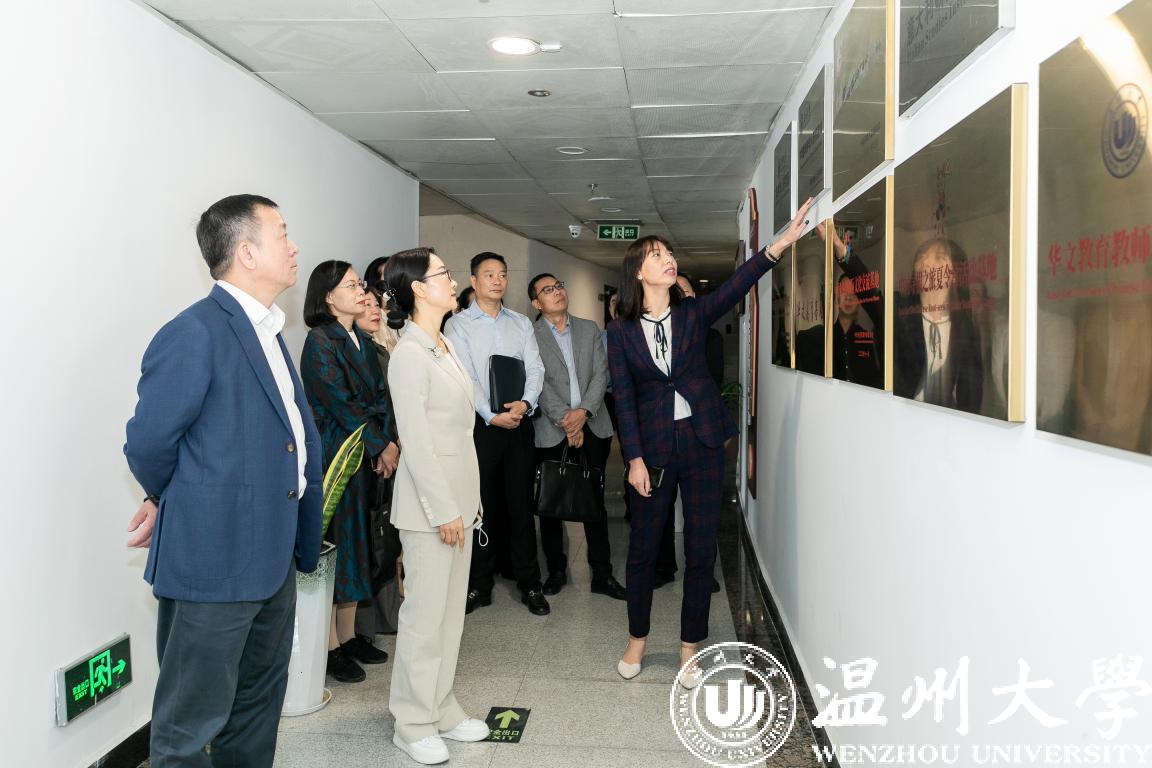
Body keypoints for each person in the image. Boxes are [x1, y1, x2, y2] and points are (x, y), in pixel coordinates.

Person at [124, 194, 322, 767]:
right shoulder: (195, 332)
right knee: (188, 724)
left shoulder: (268, 331)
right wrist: (172, 498)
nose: (294, 247)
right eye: (282, 234)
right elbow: (149, 442)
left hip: (272, 557)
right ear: (246, 253)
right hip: (212, 561)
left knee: (256, 709)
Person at [608, 198, 813, 686]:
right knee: (643, 550)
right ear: (638, 272)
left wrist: (779, 245)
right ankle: (637, 639)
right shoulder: (620, 333)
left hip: (701, 445)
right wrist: (633, 458)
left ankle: (689, 648)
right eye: (656, 255)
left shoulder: (694, 314)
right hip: (653, 451)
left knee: (701, 550)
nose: (668, 259)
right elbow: (625, 398)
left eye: (668, 253)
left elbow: (738, 284)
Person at [382, 248, 491, 764]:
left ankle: (441, 705)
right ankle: (411, 720)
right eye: (443, 274)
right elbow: (417, 443)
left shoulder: (442, 343)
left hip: (459, 504)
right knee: (424, 620)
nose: (452, 281)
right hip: (432, 511)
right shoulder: (408, 354)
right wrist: (444, 509)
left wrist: (468, 505)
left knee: (450, 619)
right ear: (418, 289)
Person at [301, 261, 399, 683]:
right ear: (328, 296)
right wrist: (380, 444)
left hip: (366, 453)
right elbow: (341, 403)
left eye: (361, 284)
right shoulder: (320, 341)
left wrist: (387, 443)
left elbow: (380, 398)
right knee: (337, 547)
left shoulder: (360, 337)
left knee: (358, 547)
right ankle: (329, 648)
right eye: (351, 285)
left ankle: (349, 636)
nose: (361, 291)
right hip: (337, 456)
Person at [445, 252, 549, 616]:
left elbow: (535, 368)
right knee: (482, 507)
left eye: (502, 274)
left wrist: (525, 403)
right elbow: (466, 375)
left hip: (519, 423)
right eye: (489, 274)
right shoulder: (457, 325)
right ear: (474, 281)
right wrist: (490, 415)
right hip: (481, 427)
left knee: (521, 507)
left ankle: (530, 584)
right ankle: (479, 584)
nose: (497, 280)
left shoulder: (520, 323)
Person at [528, 273, 627, 600]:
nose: (557, 292)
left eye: (559, 286)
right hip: (551, 429)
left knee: (593, 501)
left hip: (593, 426)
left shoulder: (588, 329)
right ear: (536, 303)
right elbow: (538, 382)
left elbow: (600, 374)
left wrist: (582, 413)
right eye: (548, 290)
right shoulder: (531, 335)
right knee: (551, 503)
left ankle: (602, 574)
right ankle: (556, 571)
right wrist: (566, 421)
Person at [652, 275, 726, 594]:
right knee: (661, 505)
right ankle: (664, 567)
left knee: (701, 513)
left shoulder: (709, 335)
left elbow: (714, 379)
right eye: (674, 291)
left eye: (684, 290)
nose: (679, 295)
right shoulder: (653, 333)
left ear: (694, 296)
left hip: (700, 430)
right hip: (661, 433)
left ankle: (702, 572)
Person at [354, 288, 405, 638]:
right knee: (373, 537)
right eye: (366, 304)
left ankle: (389, 615)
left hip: (392, 445)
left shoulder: (381, 347)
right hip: (372, 452)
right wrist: (383, 445)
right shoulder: (354, 350)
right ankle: (367, 626)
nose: (375, 310)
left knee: (386, 535)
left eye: (377, 305)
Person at [894, 238, 982, 412]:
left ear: (955, 273)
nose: (926, 263)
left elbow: (971, 393)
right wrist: (844, 254)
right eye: (921, 257)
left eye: (939, 257)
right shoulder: (899, 314)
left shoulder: (965, 329)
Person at [820, 223, 883, 387]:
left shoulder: (870, 338)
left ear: (861, 299)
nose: (848, 298)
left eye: (853, 293)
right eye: (844, 291)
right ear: (836, 295)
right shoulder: (822, 337)